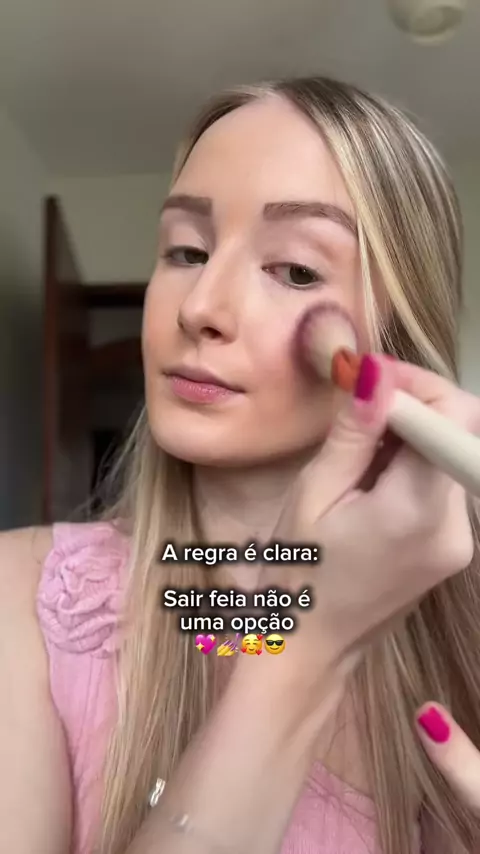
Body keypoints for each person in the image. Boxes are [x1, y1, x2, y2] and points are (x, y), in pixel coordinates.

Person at [2, 75, 480, 854]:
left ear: (395, 341)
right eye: (186, 252)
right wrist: (302, 645)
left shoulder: (467, 642)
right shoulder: (19, 600)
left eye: (295, 270)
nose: (200, 307)